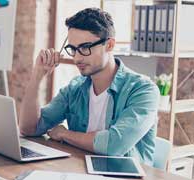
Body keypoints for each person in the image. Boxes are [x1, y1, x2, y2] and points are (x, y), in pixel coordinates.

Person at [18, 8, 159, 166]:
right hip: (82, 171)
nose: (77, 58)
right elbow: (30, 128)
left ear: (109, 45)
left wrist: (65, 134)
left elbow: (113, 145)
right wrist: (37, 75)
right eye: (73, 49)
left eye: (85, 47)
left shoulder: (143, 90)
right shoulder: (75, 88)